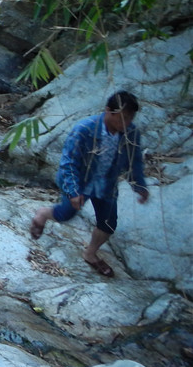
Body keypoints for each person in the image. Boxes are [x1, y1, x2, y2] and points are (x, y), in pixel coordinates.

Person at [29, 91, 149, 278]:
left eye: (130, 118)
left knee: (108, 223)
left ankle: (90, 253)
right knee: (66, 214)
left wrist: (139, 185)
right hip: (80, 181)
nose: (126, 123)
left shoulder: (131, 133)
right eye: (123, 118)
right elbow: (69, 162)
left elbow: (135, 161)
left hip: (106, 183)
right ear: (109, 111)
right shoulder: (84, 129)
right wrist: (73, 191)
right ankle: (43, 213)